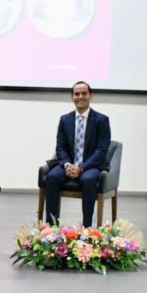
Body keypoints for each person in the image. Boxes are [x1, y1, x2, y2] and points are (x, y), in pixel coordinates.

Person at [43, 81, 111, 227]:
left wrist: (81, 167)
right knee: (52, 177)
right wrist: (68, 165)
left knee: (88, 179)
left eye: (84, 93)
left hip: (91, 165)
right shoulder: (65, 119)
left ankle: (86, 228)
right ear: (72, 97)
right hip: (68, 164)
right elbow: (60, 147)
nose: (80, 97)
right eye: (77, 94)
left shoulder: (101, 120)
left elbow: (101, 150)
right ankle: (51, 227)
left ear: (90, 96)